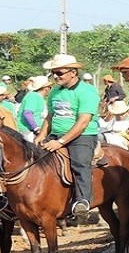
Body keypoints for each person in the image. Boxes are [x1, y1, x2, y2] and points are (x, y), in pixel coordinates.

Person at [36, 54, 101, 220]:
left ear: (73, 72)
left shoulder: (87, 91)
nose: (56, 76)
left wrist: (60, 142)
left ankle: (82, 201)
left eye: (59, 73)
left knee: (79, 163)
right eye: (53, 73)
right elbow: (50, 116)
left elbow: (83, 121)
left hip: (82, 136)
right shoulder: (55, 92)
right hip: (55, 134)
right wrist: (41, 135)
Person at [17, 75, 52, 142]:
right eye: (50, 87)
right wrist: (36, 128)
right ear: (46, 88)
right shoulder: (33, 96)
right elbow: (27, 113)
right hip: (27, 129)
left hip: (33, 129)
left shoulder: (38, 97)